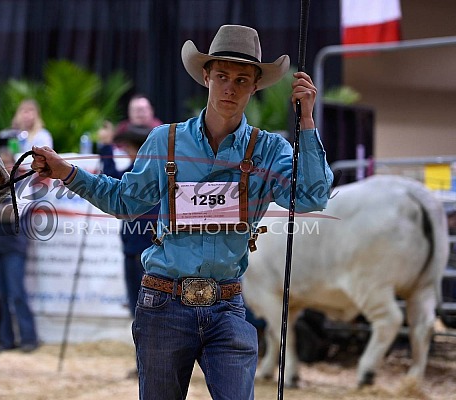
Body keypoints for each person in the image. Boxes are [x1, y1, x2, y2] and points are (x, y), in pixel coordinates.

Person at [31, 25, 333, 400]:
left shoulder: (269, 149)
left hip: (227, 307)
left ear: (255, 86)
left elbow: (311, 197)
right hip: (163, 304)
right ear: (206, 76)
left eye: (242, 79)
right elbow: (126, 201)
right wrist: (68, 173)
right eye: (222, 76)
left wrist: (305, 121)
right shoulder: (166, 141)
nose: (230, 88)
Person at [97, 121, 159, 318]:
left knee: (141, 304)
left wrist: (106, 147)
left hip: (140, 248)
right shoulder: (153, 170)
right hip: (145, 246)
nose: (126, 151)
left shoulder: (138, 173)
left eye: (128, 147)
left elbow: (110, 184)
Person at [0, 148, 39, 353]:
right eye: (0, 162)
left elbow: (13, 214)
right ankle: (4, 340)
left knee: (16, 293)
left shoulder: (23, 183)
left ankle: (29, 338)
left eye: (8, 162)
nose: (4, 167)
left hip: (14, 246)